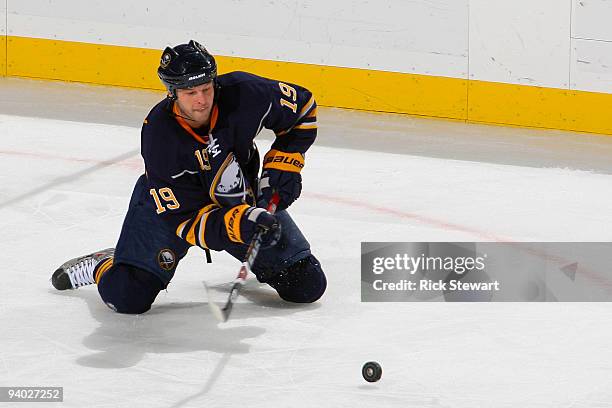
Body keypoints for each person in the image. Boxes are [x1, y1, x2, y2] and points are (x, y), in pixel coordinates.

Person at [51, 40, 327, 314]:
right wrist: (237, 225)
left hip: (238, 196)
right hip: (172, 206)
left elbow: (303, 108)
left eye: (206, 88)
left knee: (306, 285)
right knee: (127, 297)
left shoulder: (245, 93)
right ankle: (105, 263)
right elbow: (184, 219)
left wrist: (284, 164)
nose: (201, 100)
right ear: (173, 93)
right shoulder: (160, 136)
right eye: (190, 92)